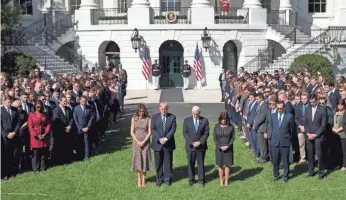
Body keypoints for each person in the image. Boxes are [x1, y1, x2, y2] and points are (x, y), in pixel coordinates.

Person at [266, 101, 294, 183]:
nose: (279, 110)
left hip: (285, 141)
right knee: (275, 160)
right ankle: (276, 174)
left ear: (284, 107)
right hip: (275, 141)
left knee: (285, 160)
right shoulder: (273, 116)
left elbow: (292, 129)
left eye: (281, 108)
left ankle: (286, 175)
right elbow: (271, 127)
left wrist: (288, 138)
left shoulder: (289, 116)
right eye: (278, 108)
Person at [182, 106, 210, 186]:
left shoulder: (204, 120)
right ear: (192, 113)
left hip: (201, 147)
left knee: (200, 163)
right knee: (190, 163)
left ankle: (201, 180)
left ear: (199, 113)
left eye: (197, 114)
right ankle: (191, 179)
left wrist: (200, 142)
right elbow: (185, 133)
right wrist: (191, 142)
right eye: (194, 114)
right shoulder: (187, 120)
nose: (196, 116)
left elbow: (206, 133)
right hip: (190, 146)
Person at [151, 102, 177, 186]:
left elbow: (173, 129)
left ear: (167, 109)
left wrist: (166, 138)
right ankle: (159, 179)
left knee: (168, 162)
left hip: (168, 143)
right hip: (158, 143)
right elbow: (153, 129)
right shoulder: (154, 117)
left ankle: (167, 179)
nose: (164, 110)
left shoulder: (172, 117)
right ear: (159, 108)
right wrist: (160, 138)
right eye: (162, 109)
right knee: (158, 163)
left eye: (165, 109)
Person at [304, 94, 327, 180]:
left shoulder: (322, 109)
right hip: (309, 136)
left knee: (319, 155)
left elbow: (323, 125)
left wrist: (316, 134)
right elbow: (305, 123)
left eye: (313, 102)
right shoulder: (307, 109)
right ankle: (311, 171)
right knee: (310, 154)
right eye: (310, 102)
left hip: (318, 136)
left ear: (316, 100)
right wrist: (308, 133)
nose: (312, 103)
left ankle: (321, 172)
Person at [130, 104, 152, 188]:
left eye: (143, 111)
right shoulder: (133, 119)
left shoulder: (148, 119)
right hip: (136, 143)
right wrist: (137, 141)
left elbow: (149, 132)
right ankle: (139, 179)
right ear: (137, 111)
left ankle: (144, 179)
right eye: (140, 111)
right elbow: (132, 132)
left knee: (145, 159)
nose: (141, 113)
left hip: (145, 143)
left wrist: (143, 141)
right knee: (138, 160)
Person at [28, 100, 51, 173]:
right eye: (37, 107)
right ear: (35, 106)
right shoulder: (31, 115)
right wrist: (36, 135)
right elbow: (30, 127)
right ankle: (36, 169)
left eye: (40, 107)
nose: (39, 108)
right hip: (35, 137)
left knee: (43, 153)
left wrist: (45, 133)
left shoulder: (45, 114)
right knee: (36, 154)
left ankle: (43, 167)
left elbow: (48, 124)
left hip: (44, 136)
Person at [1, 95, 21, 179]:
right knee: (5, 155)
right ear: (4, 101)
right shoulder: (1, 111)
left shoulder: (14, 110)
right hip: (5, 137)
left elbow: (18, 122)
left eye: (10, 102)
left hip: (14, 135)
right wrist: (6, 134)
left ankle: (12, 172)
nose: (10, 103)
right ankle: (5, 173)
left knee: (13, 154)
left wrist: (14, 132)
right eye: (8, 102)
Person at [213, 111, 235, 187]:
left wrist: (227, 146)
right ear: (220, 119)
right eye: (222, 119)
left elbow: (232, 138)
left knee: (227, 165)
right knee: (220, 165)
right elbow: (215, 138)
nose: (223, 120)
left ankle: (226, 180)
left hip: (228, 148)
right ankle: (221, 180)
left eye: (225, 119)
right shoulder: (216, 126)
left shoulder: (231, 126)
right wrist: (219, 146)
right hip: (219, 148)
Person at [52, 97, 74, 165]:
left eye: (66, 101)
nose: (65, 103)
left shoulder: (68, 109)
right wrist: (65, 128)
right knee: (61, 146)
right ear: (60, 101)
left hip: (68, 130)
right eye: (64, 101)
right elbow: (57, 121)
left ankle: (68, 159)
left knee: (68, 145)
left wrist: (69, 126)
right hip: (60, 131)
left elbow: (71, 118)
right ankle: (61, 160)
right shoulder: (56, 110)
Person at [73, 96, 95, 161]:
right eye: (83, 101)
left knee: (86, 143)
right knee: (80, 143)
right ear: (79, 101)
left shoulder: (89, 108)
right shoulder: (76, 108)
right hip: (79, 129)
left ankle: (87, 156)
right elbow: (75, 119)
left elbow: (92, 117)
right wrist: (80, 128)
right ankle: (80, 156)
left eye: (85, 101)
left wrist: (88, 127)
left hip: (87, 128)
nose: (84, 103)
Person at [253, 93, 270, 164]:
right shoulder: (260, 105)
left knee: (262, 144)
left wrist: (255, 125)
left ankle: (264, 158)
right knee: (261, 144)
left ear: (261, 98)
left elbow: (262, 118)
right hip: (259, 127)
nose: (256, 101)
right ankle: (262, 156)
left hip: (262, 128)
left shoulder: (264, 106)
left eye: (257, 99)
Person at [332, 100, 346, 170]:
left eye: (341, 105)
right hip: (335, 134)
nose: (340, 107)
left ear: (344, 105)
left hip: (343, 134)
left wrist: (338, 130)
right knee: (337, 150)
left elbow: (344, 124)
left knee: (344, 151)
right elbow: (334, 123)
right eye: (338, 105)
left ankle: (344, 165)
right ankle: (338, 164)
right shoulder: (336, 113)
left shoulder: (345, 113)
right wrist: (333, 129)